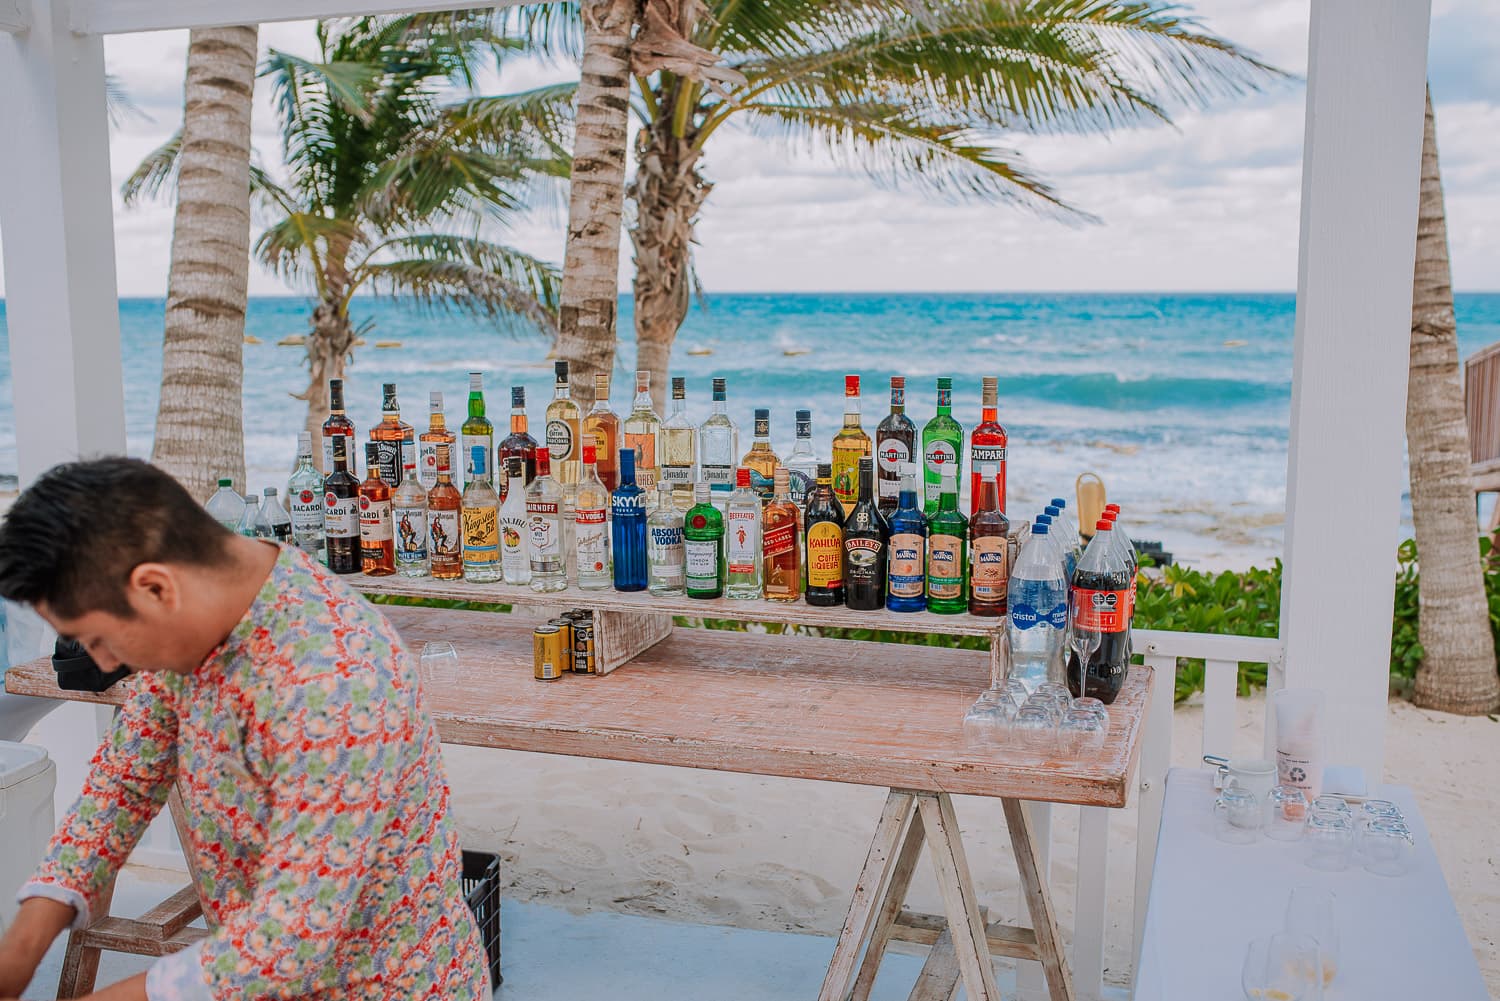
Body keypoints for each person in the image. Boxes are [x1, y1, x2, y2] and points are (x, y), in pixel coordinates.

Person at [0, 458, 489, 1001]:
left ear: (155, 588)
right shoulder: (199, 617)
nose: (103, 661)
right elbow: (125, 779)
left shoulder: (335, 680)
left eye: (94, 637)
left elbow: (289, 939)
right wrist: (18, 954)